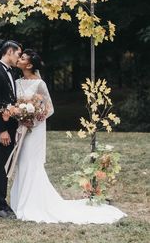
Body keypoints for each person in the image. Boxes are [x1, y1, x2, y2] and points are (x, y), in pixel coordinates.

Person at [10, 49, 127, 224]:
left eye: (23, 58)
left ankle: (33, 203)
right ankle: (19, 200)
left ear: (29, 64)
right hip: (21, 129)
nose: (19, 59)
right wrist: (20, 116)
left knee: (31, 162)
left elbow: (49, 109)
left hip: (34, 130)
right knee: (22, 161)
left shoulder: (39, 83)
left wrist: (33, 119)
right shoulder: (17, 82)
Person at [0, 40, 22, 218]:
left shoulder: (11, 72)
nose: (19, 58)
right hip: (2, 129)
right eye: (17, 54)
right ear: (9, 51)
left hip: (11, 126)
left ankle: (3, 202)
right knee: (0, 166)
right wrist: (2, 130)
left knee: (7, 167)